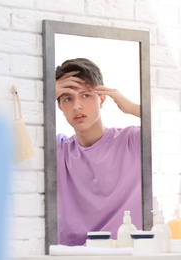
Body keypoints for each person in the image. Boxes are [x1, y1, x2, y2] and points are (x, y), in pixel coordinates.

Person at [55, 58, 142, 246]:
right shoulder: (59, 149)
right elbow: (11, 140)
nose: (77, 106)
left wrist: (132, 107)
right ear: (60, 106)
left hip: (125, 255)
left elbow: (172, 127)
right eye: (68, 98)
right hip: (72, 257)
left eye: (85, 95)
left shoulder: (132, 141)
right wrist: (45, 94)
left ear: (102, 98)